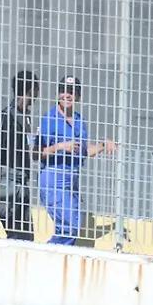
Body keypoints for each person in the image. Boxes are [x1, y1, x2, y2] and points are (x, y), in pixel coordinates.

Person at [37, 75, 116, 245]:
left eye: (72, 92)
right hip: (53, 180)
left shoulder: (79, 120)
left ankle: (54, 261)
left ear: (78, 96)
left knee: (70, 228)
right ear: (58, 94)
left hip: (71, 182)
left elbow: (84, 151)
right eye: (64, 91)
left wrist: (103, 144)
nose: (67, 95)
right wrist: (59, 146)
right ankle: (45, 258)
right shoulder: (49, 119)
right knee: (69, 228)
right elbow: (36, 153)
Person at [0, 70, 40, 241]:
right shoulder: (6, 117)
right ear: (32, 90)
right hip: (6, 184)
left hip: (20, 184)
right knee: (16, 236)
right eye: (37, 89)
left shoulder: (25, 117)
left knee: (26, 238)